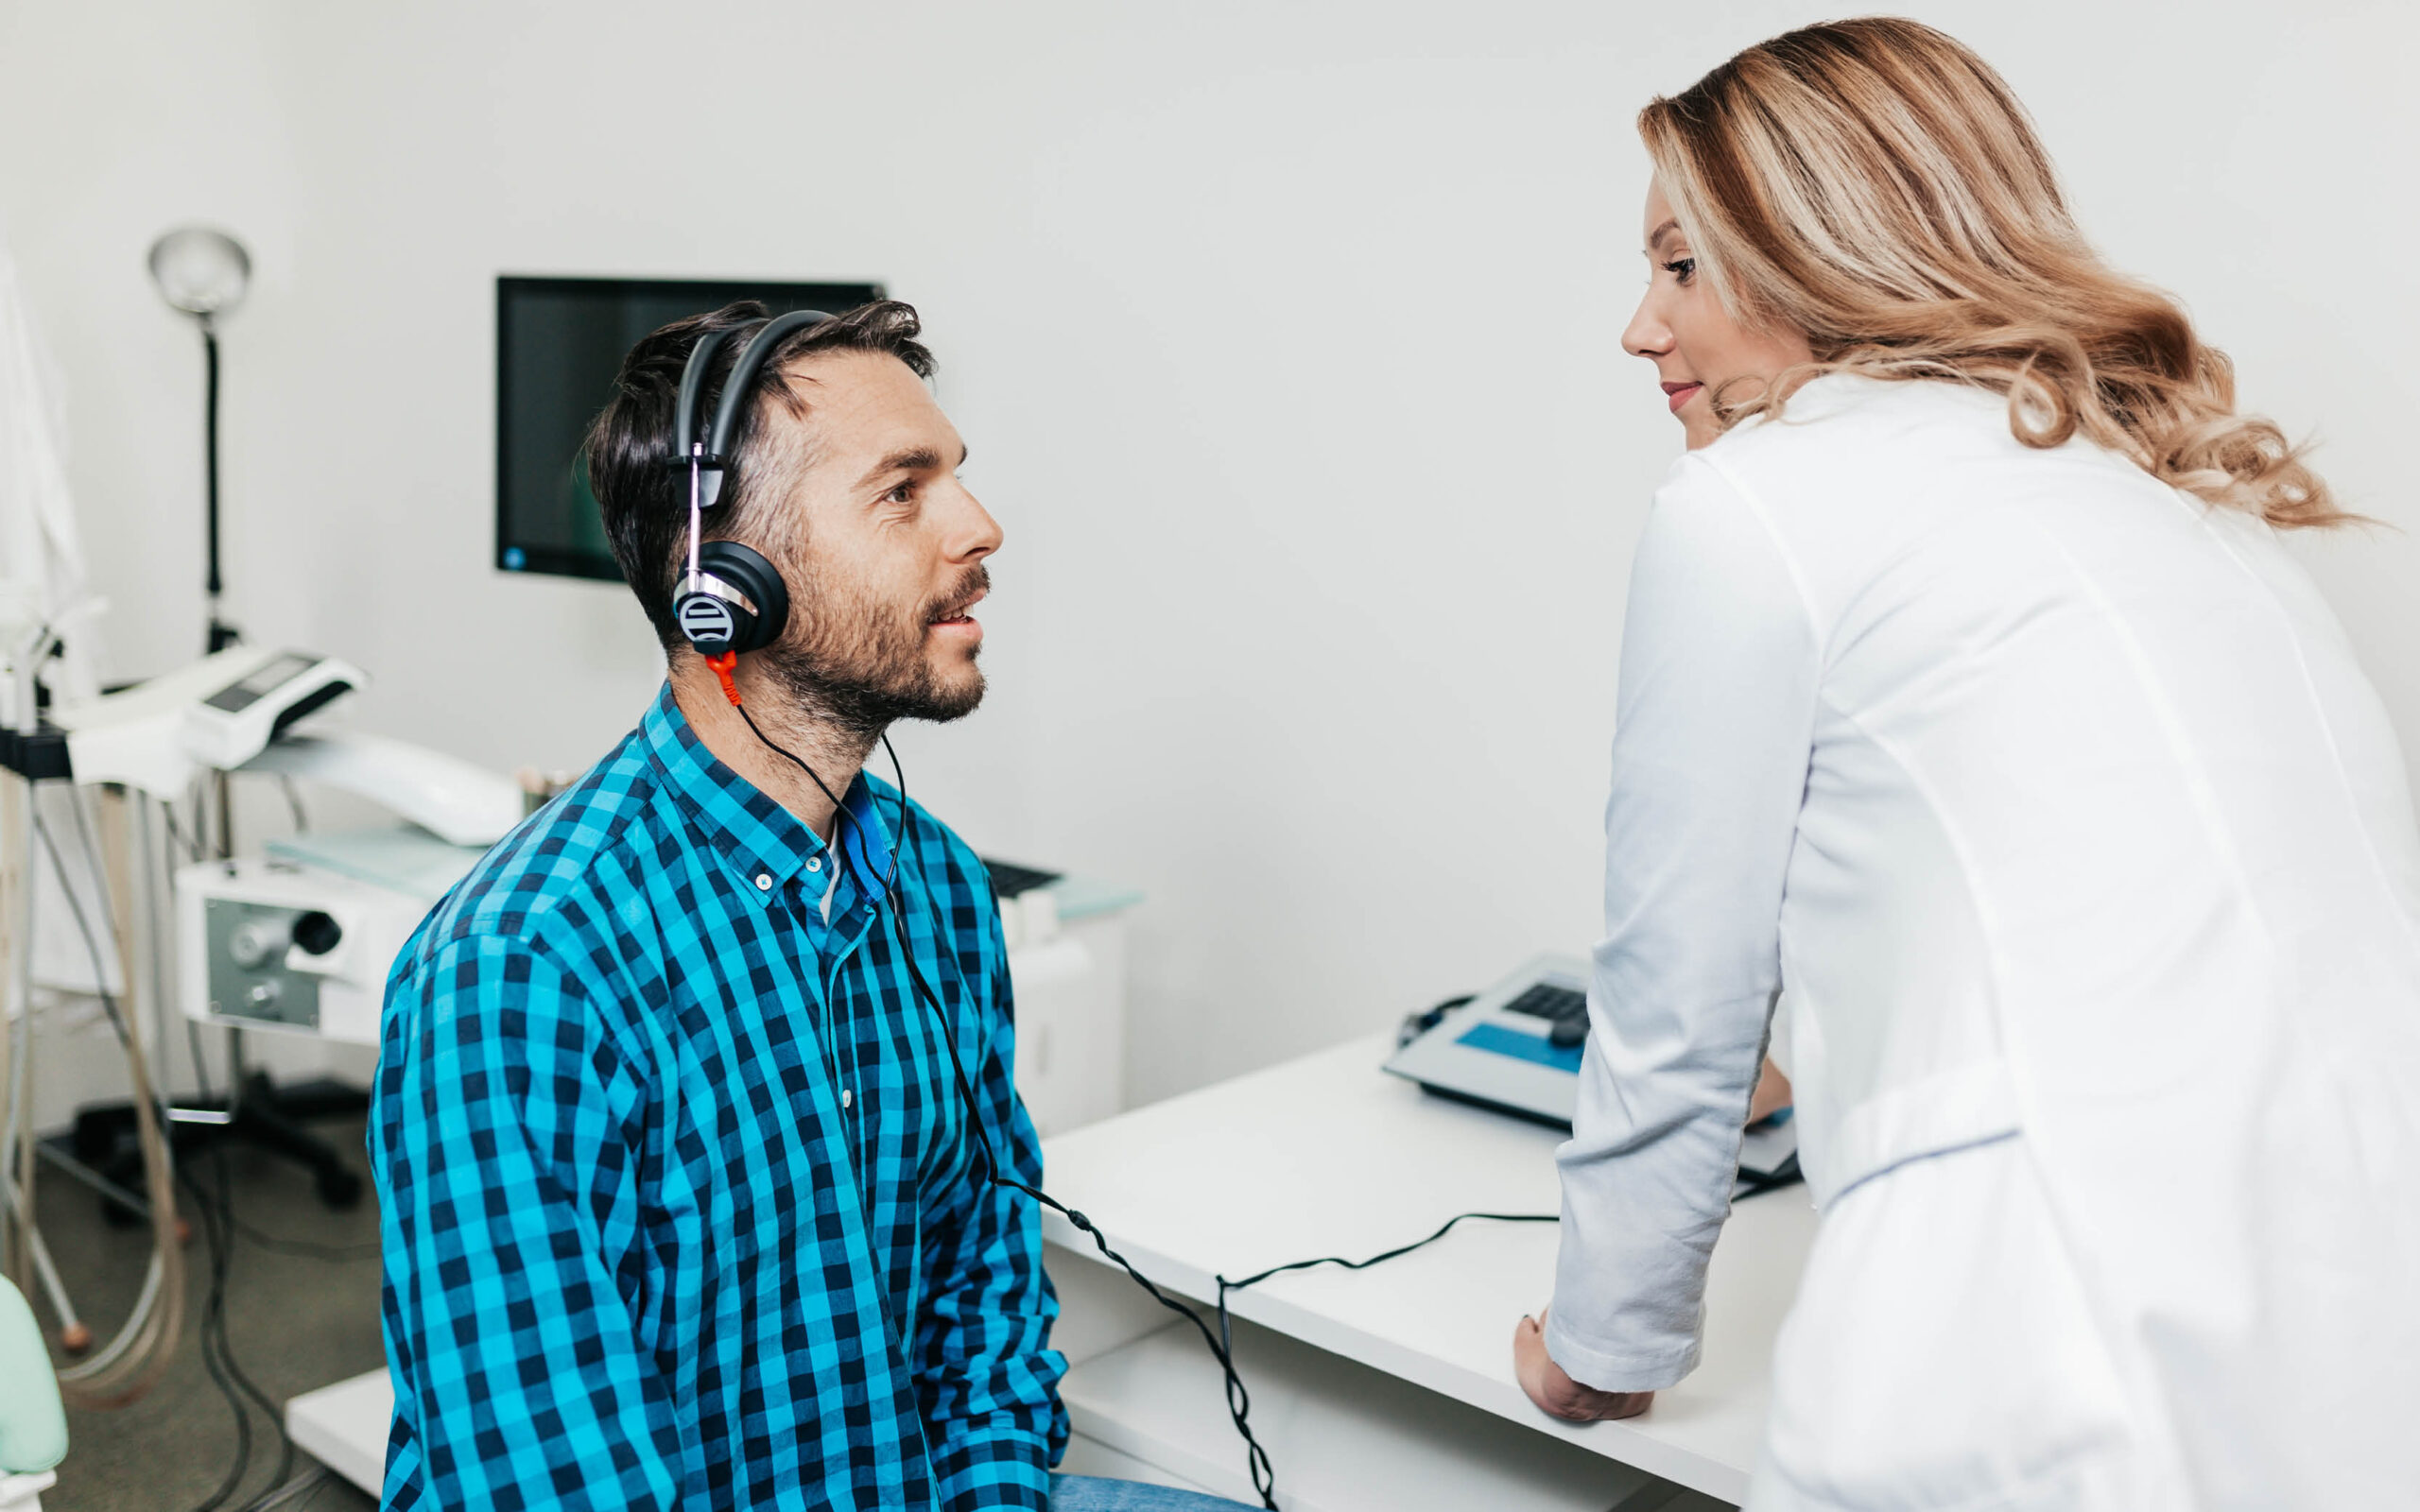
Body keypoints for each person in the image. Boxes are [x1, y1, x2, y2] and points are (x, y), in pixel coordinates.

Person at [1511, 18, 2420, 1509]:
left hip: (2047, 1314)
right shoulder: (2167, 494)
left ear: (1821, 247)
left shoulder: (1758, 504)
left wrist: (1604, 1343)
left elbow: (1680, 998)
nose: (1638, 326)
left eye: (1680, 265)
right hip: (2362, 1291)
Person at [372, 301, 1249, 1510]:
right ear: (723, 580)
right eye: (903, 491)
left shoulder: (934, 886)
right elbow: (553, 1484)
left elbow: (981, 1286)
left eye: (956, 478)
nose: (980, 527)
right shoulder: (523, 972)